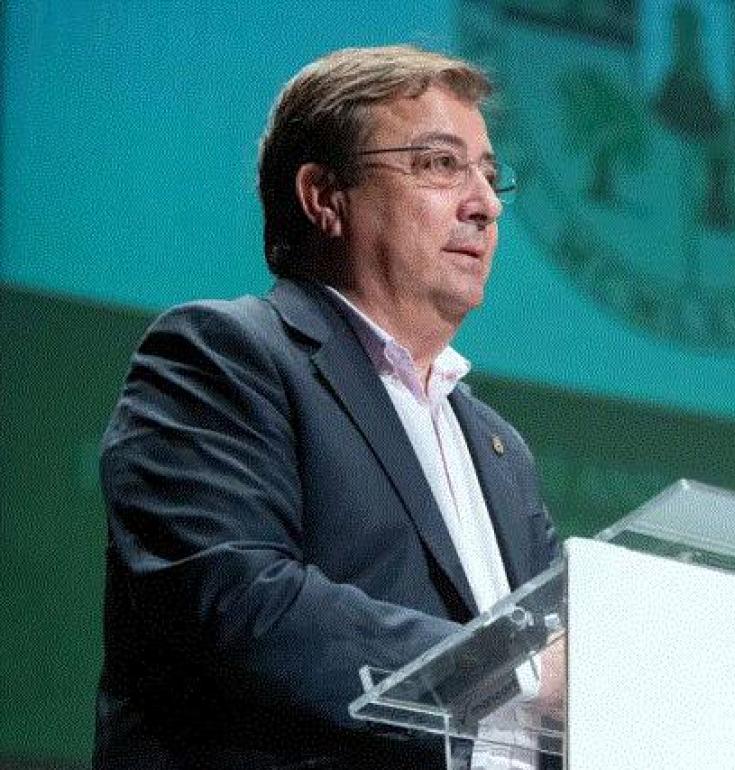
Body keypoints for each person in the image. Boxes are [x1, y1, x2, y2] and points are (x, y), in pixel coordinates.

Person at [93, 45, 562, 769]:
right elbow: (242, 604)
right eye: (441, 164)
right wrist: (517, 673)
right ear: (322, 196)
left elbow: (565, 662)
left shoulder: (500, 450)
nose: (485, 204)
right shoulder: (222, 356)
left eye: (490, 175)